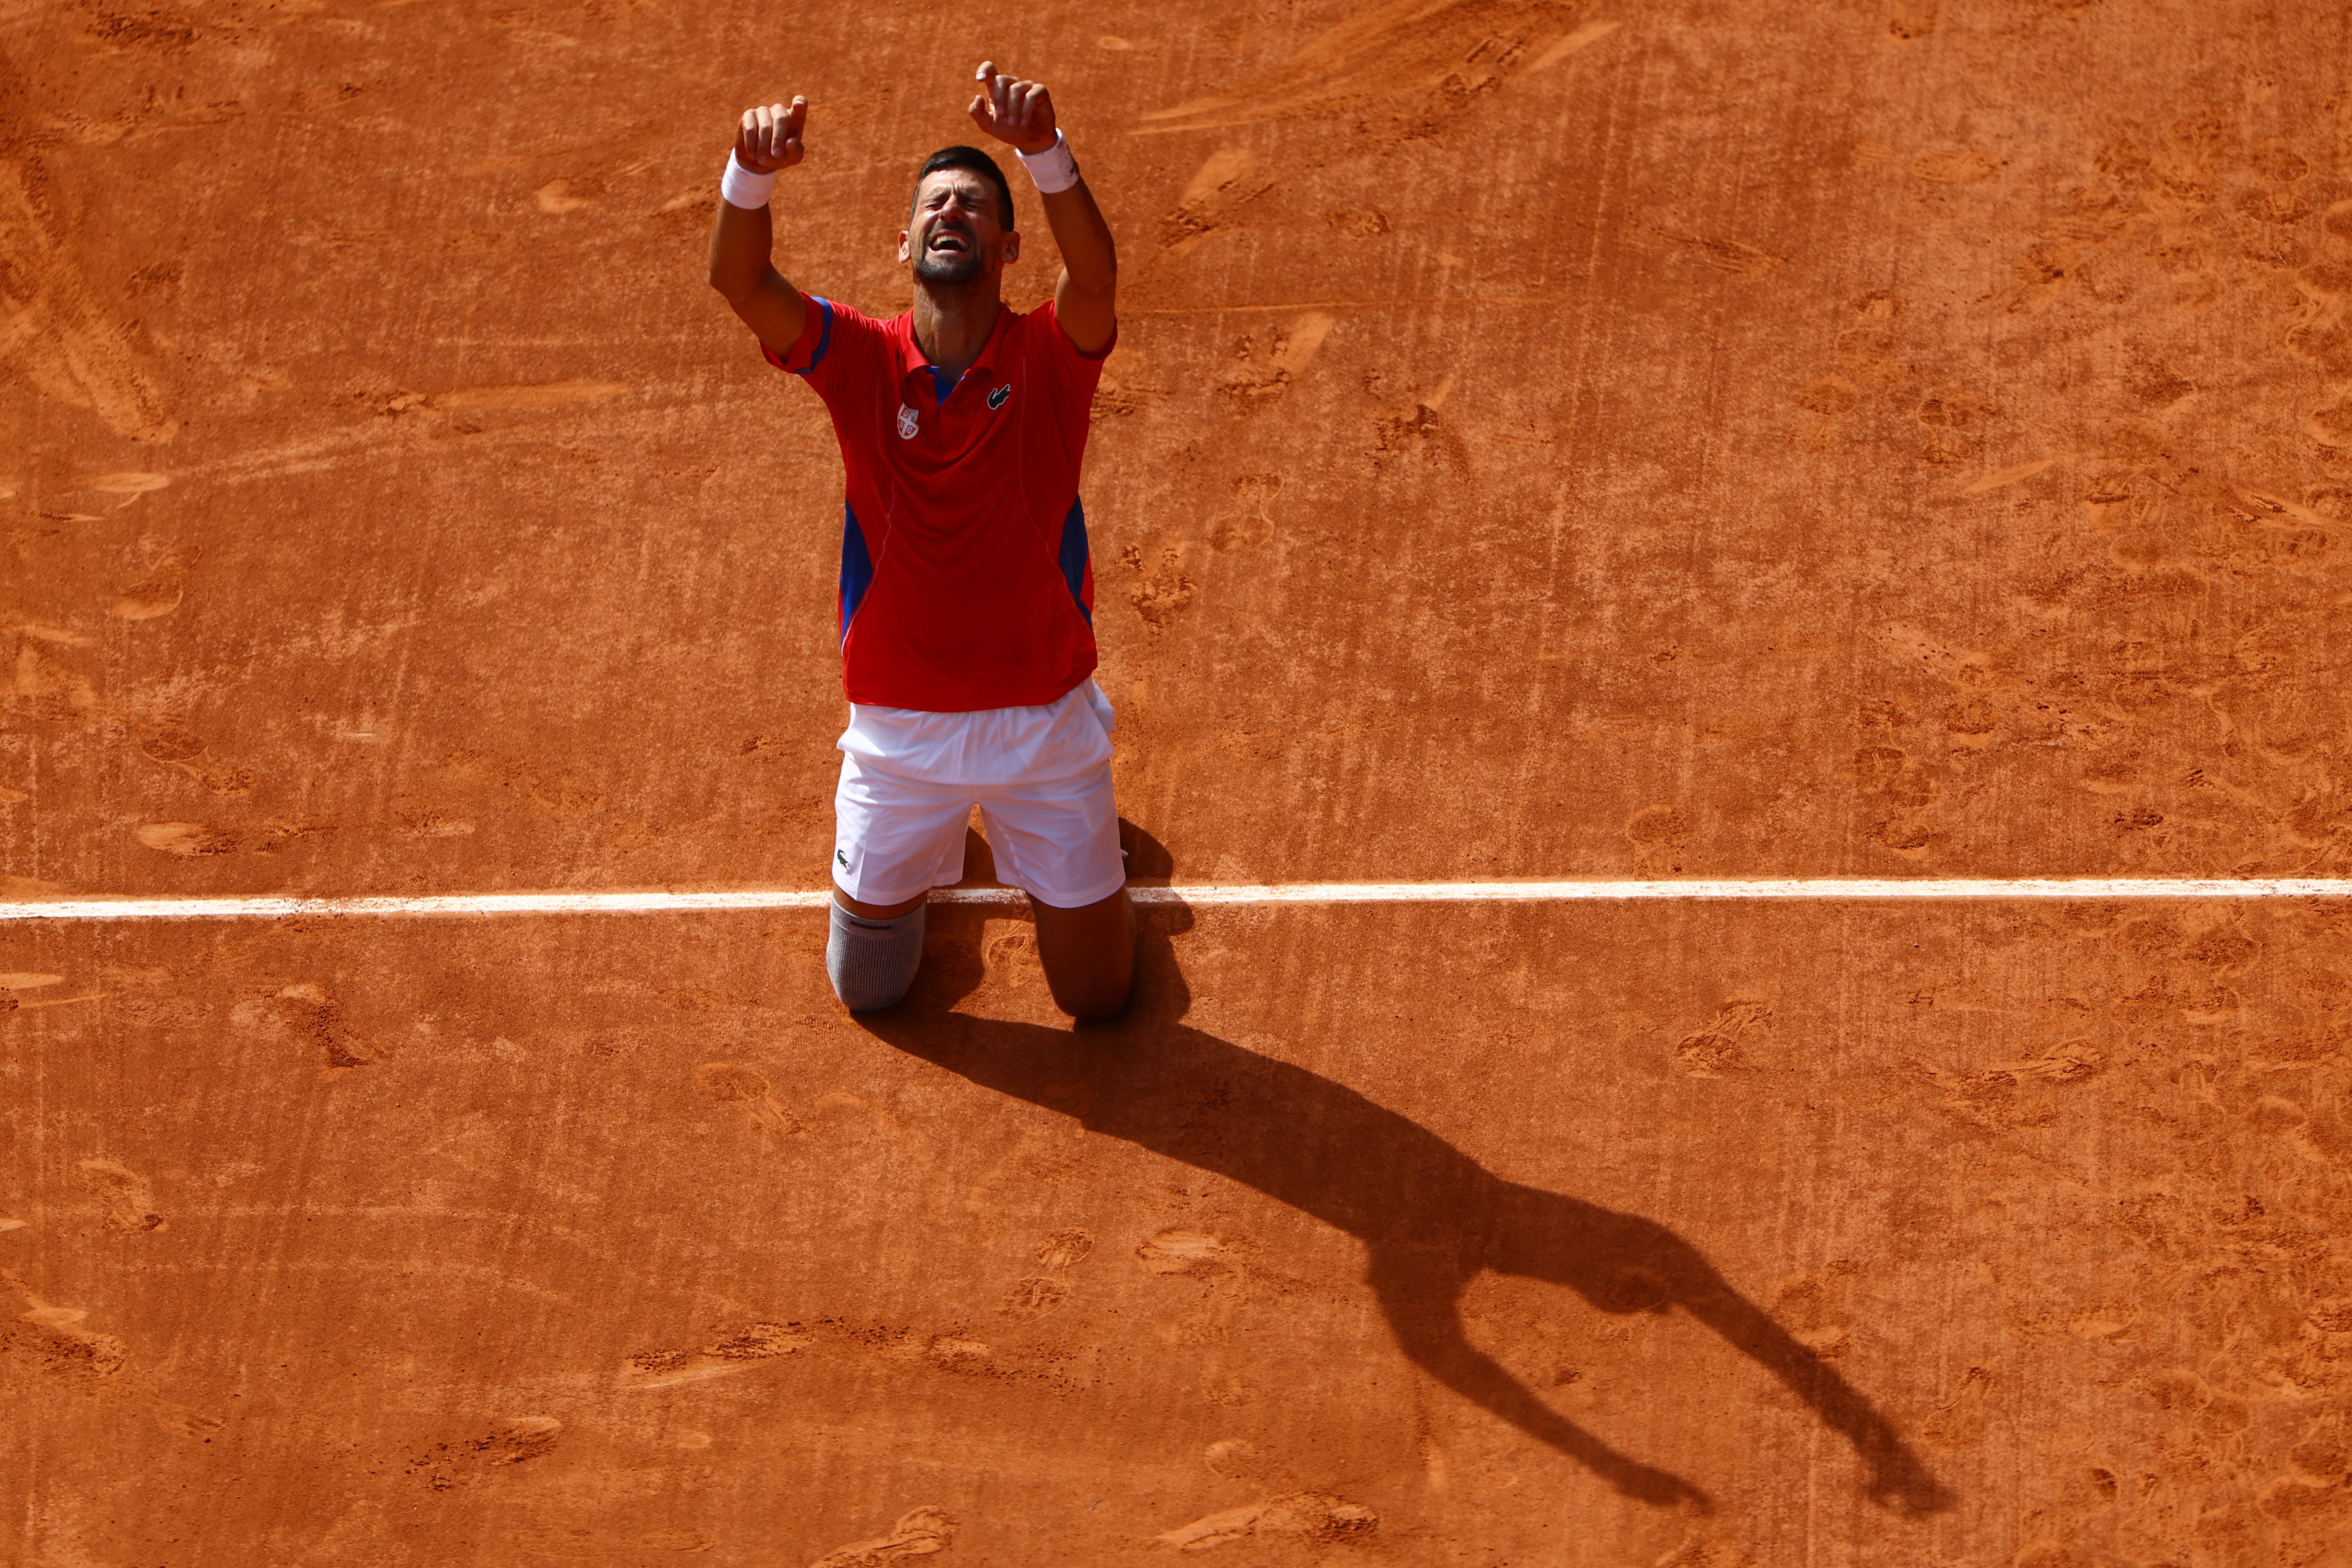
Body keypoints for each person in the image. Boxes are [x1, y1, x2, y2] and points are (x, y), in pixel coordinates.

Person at [705, 63, 1133, 1020]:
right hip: (898, 734)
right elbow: (739, 279)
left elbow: (1097, 275)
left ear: (1009, 244)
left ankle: (1071, 837)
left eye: (977, 204)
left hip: (1042, 724)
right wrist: (748, 174)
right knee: (871, 989)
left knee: (1101, 999)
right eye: (937, 201)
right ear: (903, 243)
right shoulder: (857, 357)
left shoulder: (1050, 361)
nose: (954, 210)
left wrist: (1044, 153)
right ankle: (964, 855)